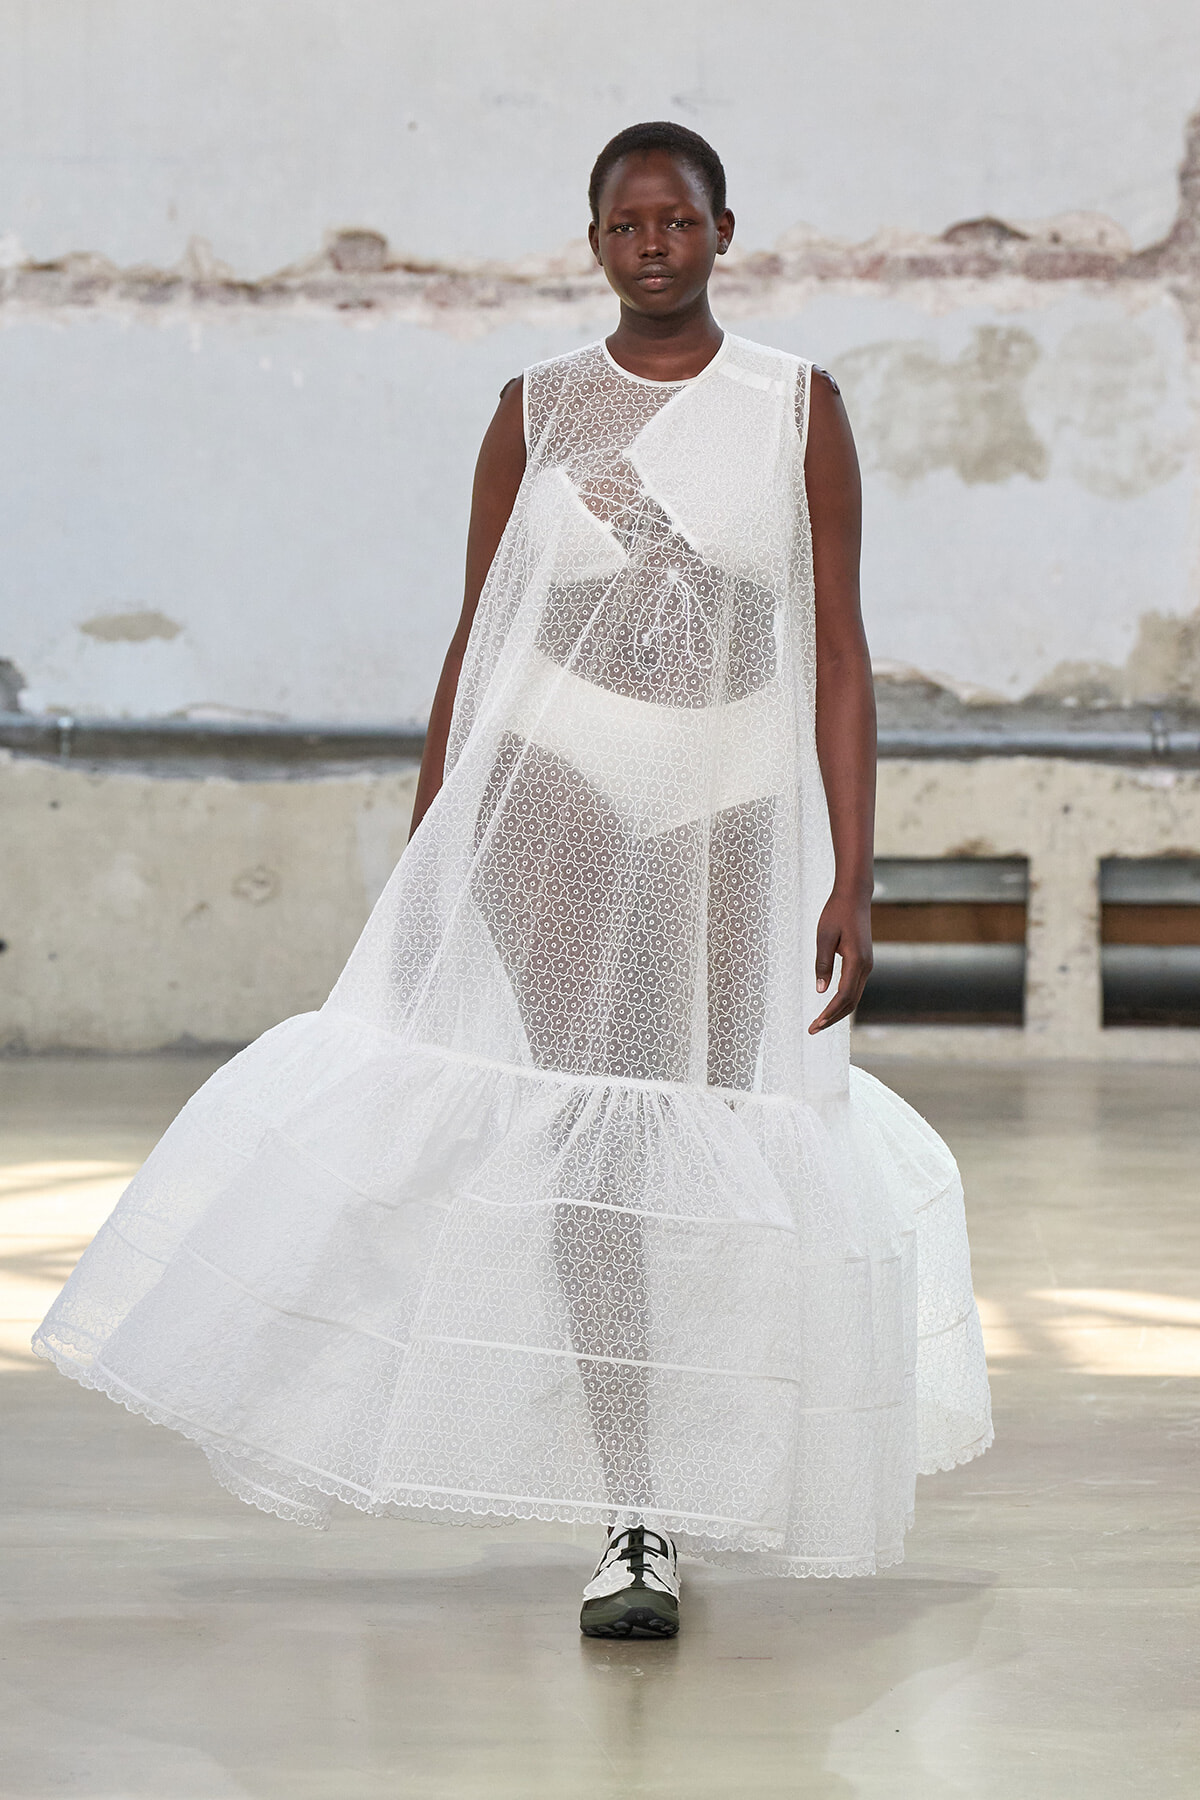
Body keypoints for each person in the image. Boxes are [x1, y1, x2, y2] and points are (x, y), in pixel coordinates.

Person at [35, 122, 991, 1641]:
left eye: (680, 219)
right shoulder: (535, 413)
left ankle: (692, 1462)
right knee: (588, 1145)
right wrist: (435, 848)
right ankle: (634, 1511)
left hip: (729, 814)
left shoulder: (795, 406)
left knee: (712, 1138)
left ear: (724, 231)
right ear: (596, 240)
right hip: (555, 792)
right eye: (629, 222)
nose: (656, 244)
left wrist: (855, 873)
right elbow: (477, 645)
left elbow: (841, 652)